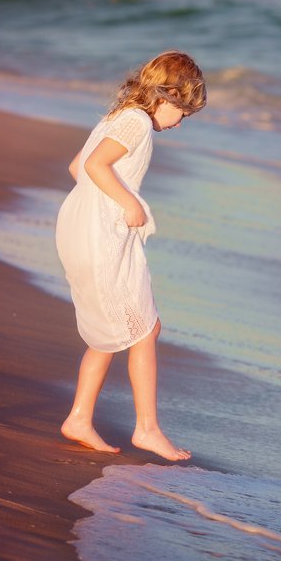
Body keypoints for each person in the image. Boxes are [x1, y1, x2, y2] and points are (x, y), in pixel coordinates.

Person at [56, 51, 205, 461]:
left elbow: (77, 166)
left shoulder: (118, 116)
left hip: (82, 229)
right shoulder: (137, 123)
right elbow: (94, 166)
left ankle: (80, 418)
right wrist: (130, 204)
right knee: (143, 328)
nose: (181, 122)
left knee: (113, 331)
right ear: (167, 95)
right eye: (183, 112)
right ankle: (147, 429)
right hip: (102, 238)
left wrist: (109, 202)